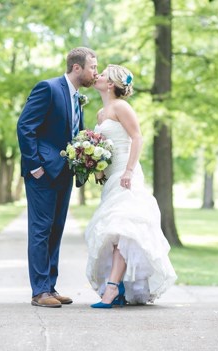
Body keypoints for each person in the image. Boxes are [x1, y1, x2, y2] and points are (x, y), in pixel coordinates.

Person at [84, 64, 176, 308]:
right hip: (111, 179)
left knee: (124, 229)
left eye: (103, 74)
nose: (97, 75)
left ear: (110, 84)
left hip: (127, 176)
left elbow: (137, 137)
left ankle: (112, 288)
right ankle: (120, 287)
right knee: (113, 232)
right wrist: (98, 168)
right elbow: (104, 148)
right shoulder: (101, 114)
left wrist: (129, 171)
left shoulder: (121, 107)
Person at [17, 47, 97, 308]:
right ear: (77, 68)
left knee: (56, 230)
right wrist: (34, 166)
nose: (95, 72)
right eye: (93, 67)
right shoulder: (48, 88)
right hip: (42, 173)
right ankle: (39, 292)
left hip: (65, 173)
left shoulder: (76, 97)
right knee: (41, 230)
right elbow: (25, 126)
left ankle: (50, 286)